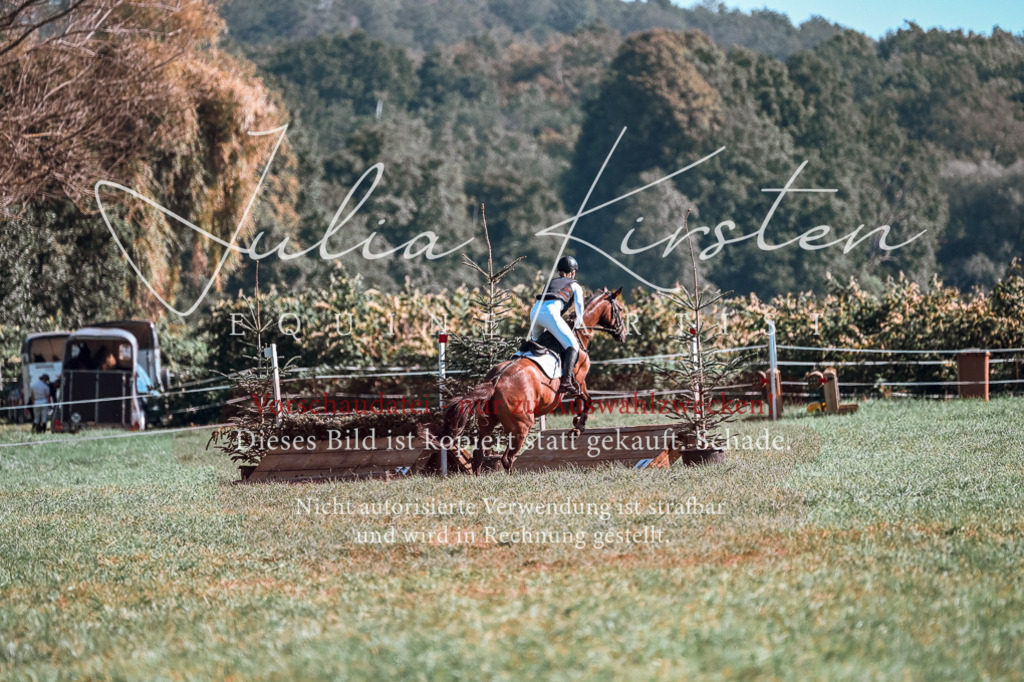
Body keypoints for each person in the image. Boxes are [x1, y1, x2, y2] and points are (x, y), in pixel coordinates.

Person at [529, 255, 585, 396]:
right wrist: (579, 323)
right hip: (550, 314)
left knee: (536, 344)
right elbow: (579, 305)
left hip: (534, 312)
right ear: (573, 272)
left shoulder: (551, 282)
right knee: (573, 345)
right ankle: (566, 382)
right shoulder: (575, 284)